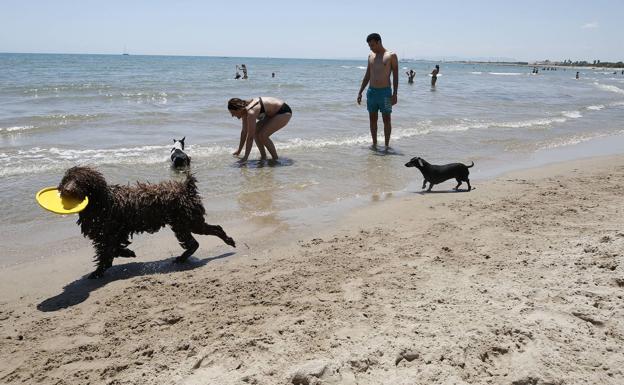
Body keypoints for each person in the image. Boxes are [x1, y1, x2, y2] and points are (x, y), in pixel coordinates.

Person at [357, 33, 399, 149]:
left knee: (386, 119)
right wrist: (360, 92)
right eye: (369, 46)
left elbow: (396, 76)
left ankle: (386, 145)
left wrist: (395, 94)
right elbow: (367, 75)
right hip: (372, 92)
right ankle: (374, 144)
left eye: (372, 45)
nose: (371, 48)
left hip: (385, 93)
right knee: (372, 119)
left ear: (379, 42)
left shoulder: (391, 56)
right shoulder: (370, 56)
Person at [228, 97, 292, 163]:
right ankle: (263, 156)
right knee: (256, 132)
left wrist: (245, 157)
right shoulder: (244, 111)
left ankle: (275, 159)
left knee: (263, 135)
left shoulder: (251, 112)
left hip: (283, 112)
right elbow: (244, 132)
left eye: (233, 112)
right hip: (271, 114)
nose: (232, 115)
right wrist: (239, 150)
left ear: (239, 110)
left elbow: (250, 137)